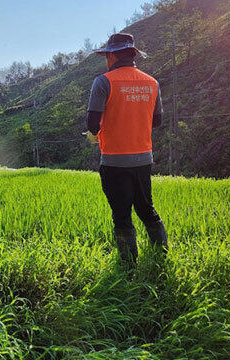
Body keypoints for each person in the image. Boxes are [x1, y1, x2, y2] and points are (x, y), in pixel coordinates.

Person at [86, 33, 168, 268]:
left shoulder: (103, 82)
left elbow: (92, 125)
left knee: (122, 216)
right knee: (146, 208)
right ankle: (161, 257)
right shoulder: (152, 83)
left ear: (111, 56)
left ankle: (128, 267)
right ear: (133, 54)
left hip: (114, 162)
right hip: (143, 158)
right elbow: (157, 121)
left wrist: (96, 134)